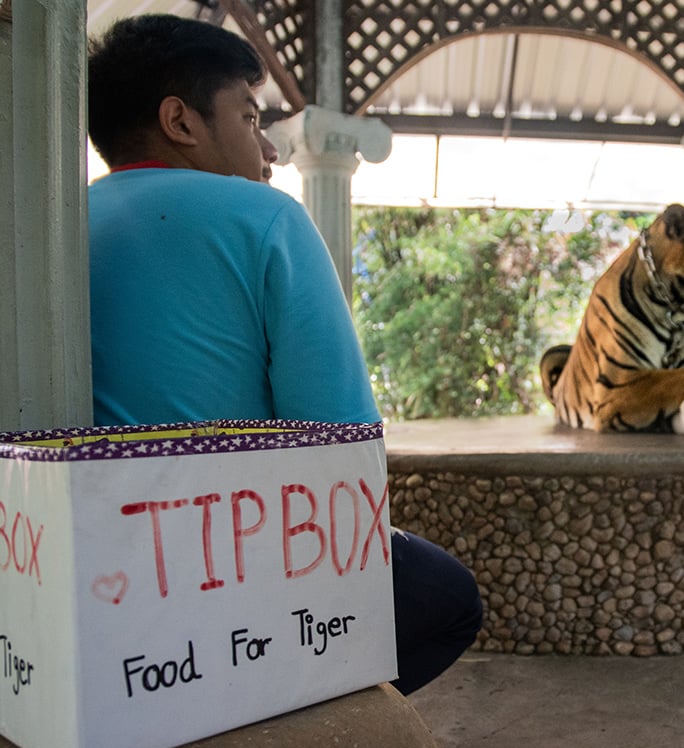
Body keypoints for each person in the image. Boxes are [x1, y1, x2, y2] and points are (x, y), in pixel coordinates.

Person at [87, 13, 482, 696]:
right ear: (180, 121)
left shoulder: (61, 220)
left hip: (92, 562)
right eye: (249, 117)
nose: (269, 149)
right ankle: (282, 716)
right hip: (227, 567)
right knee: (447, 598)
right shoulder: (265, 218)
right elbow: (341, 443)